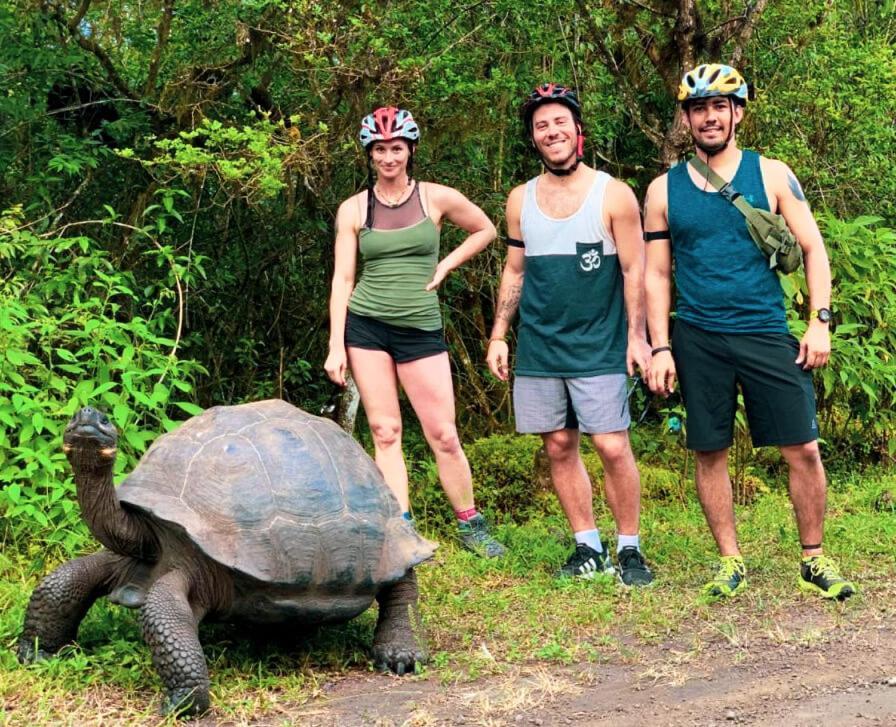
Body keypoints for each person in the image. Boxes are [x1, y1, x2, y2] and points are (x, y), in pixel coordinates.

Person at [643, 63, 855, 600]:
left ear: (737, 113)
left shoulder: (772, 174)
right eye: (698, 109)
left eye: (719, 106)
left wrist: (819, 322)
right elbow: (656, 273)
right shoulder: (662, 190)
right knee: (708, 451)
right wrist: (660, 345)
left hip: (764, 330)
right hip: (697, 335)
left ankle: (813, 557)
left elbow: (814, 249)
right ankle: (730, 561)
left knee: (803, 448)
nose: (708, 117)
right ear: (687, 119)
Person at [486, 84, 654, 585]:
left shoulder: (613, 194)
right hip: (540, 345)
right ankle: (587, 546)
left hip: (599, 342)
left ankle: (629, 548)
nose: (551, 132)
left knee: (611, 446)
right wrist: (499, 333)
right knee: (558, 444)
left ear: (577, 130)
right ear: (533, 138)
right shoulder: (520, 200)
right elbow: (515, 271)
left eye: (559, 122)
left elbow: (634, 269)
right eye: (541, 126)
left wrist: (637, 338)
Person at [325, 106, 505, 558]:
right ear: (370, 154)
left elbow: (486, 228)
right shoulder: (354, 209)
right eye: (380, 149)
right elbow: (343, 278)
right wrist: (335, 345)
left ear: (410, 150)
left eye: (397, 148)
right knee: (385, 431)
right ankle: (401, 530)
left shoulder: (435, 198)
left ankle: (470, 523)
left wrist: (446, 263)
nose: (389, 157)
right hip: (366, 327)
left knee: (443, 432)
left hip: (420, 327)